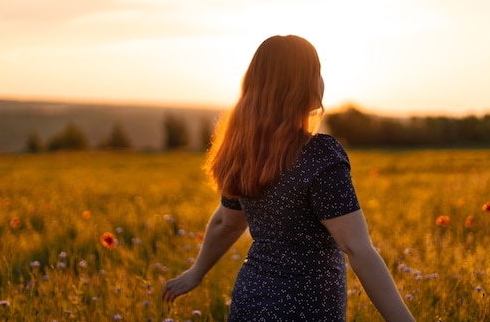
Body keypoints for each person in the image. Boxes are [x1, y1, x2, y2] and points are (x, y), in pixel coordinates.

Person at [162, 35, 415, 322]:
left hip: (249, 302)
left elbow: (226, 221)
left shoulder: (245, 150)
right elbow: (357, 248)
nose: (322, 81)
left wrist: (197, 272)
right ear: (300, 85)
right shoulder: (320, 154)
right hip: (307, 309)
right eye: (316, 71)